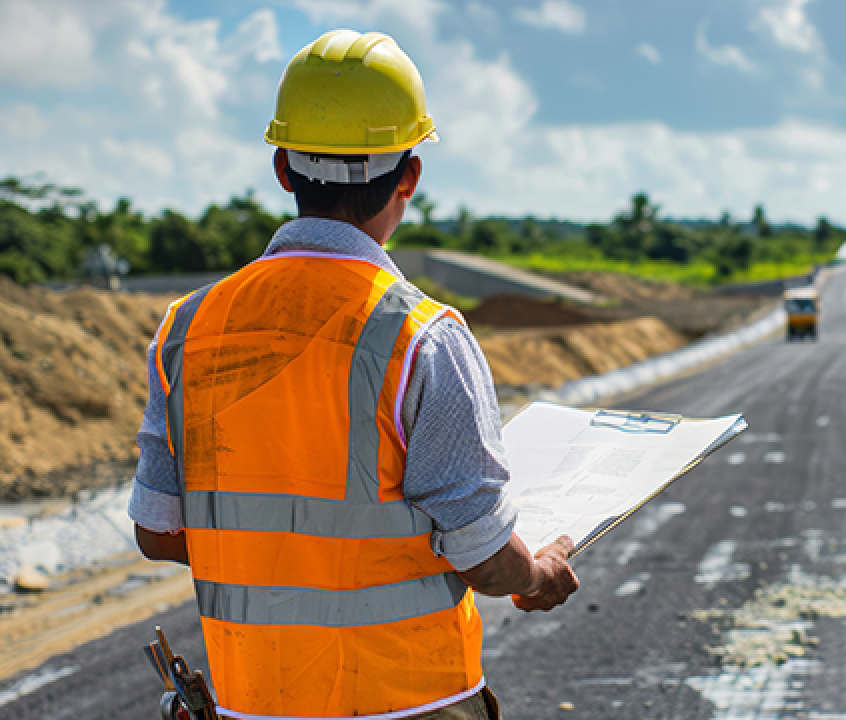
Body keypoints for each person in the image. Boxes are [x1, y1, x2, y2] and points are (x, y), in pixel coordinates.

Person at [127, 29, 578, 720]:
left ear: (282, 168)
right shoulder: (422, 338)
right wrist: (538, 572)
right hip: (412, 701)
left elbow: (158, 532)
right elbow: (485, 555)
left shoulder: (187, 330)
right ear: (409, 176)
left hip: (255, 702)